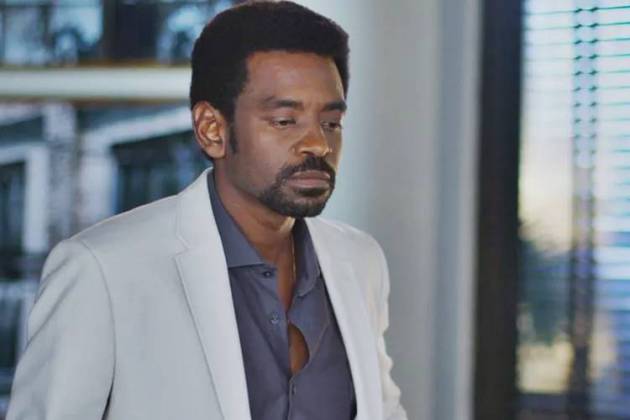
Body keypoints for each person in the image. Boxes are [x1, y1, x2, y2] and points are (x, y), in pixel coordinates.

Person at [6, 2, 407, 419]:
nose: (319, 144)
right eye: (285, 121)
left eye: (331, 123)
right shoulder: (102, 271)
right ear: (212, 130)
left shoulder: (359, 261)